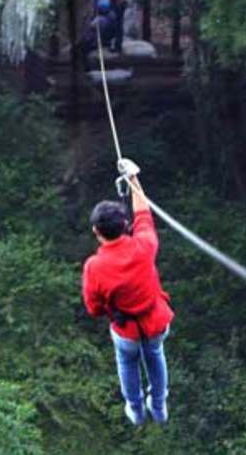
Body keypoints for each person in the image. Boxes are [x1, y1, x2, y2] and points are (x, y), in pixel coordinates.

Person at [82, 159, 174, 425]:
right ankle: (158, 405)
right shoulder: (144, 245)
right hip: (155, 322)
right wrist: (133, 179)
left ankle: (135, 409)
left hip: (126, 329)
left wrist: (111, 310)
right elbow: (144, 215)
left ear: (96, 232)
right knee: (155, 357)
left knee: (127, 362)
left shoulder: (95, 267)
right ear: (124, 225)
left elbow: (93, 307)